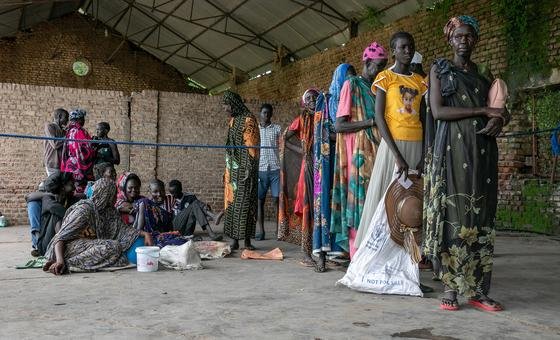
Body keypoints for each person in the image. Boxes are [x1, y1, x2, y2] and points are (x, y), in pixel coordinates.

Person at [423, 16, 509, 311]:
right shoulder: (440, 69)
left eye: (470, 36)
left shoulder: (484, 75)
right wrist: (483, 109)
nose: (464, 41)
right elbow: (438, 110)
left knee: (482, 218)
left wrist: (500, 118)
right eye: (459, 36)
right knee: (455, 214)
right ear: (450, 39)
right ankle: (450, 288)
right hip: (452, 150)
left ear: (476, 40)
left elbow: (499, 110)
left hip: (483, 152)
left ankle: (479, 291)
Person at [354, 32, 427, 250]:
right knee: (385, 200)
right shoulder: (385, 78)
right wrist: (396, 155)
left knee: (411, 204)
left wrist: (424, 154)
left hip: (416, 146)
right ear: (393, 50)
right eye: (403, 47)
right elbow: (379, 117)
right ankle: (377, 252)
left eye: (411, 46)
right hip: (393, 148)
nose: (407, 50)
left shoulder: (420, 82)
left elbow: (424, 119)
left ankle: (407, 257)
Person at [331, 42, 388, 257]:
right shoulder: (352, 85)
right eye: (377, 66)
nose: (380, 71)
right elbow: (339, 125)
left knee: (376, 204)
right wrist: (370, 122)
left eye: (383, 66)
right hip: (356, 155)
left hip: (376, 153)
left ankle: (373, 256)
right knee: (358, 205)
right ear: (366, 62)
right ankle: (358, 257)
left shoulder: (378, 89)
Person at [43, 178, 153, 275]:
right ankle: (65, 264)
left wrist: (144, 233)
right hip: (67, 248)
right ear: (105, 194)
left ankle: (71, 263)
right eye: (113, 195)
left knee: (117, 252)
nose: (115, 199)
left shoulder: (109, 212)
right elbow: (60, 238)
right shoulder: (84, 210)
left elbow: (122, 229)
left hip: (90, 246)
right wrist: (60, 260)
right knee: (113, 248)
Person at [312, 64, 356, 272]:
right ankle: (321, 253)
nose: (349, 82)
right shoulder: (325, 101)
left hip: (347, 158)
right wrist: (341, 135)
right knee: (325, 204)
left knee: (347, 201)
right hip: (328, 162)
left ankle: (343, 251)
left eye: (351, 78)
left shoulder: (352, 100)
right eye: (346, 78)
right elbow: (321, 133)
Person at [278, 88, 320, 267]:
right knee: (308, 208)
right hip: (309, 166)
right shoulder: (301, 120)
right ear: (304, 102)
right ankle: (306, 253)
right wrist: (302, 152)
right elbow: (284, 138)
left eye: (315, 97)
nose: (312, 100)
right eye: (308, 98)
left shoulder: (324, 117)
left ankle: (324, 252)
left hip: (324, 165)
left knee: (322, 210)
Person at [222, 90, 260, 251]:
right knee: (231, 206)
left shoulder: (249, 120)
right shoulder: (233, 121)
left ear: (233, 104)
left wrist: (249, 169)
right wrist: (226, 170)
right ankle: (234, 240)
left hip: (246, 171)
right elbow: (228, 148)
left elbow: (252, 147)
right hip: (233, 171)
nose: (225, 108)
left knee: (245, 204)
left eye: (226, 104)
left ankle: (246, 241)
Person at [116, 173, 187, 248]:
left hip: (152, 230)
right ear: (124, 188)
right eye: (130, 188)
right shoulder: (118, 203)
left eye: (136, 187)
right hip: (128, 235)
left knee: (143, 202)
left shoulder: (143, 200)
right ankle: (137, 236)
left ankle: (137, 235)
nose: (134, 190)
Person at [257, 103, 281, 241]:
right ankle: (261, 232)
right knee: (260, 201)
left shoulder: (277, 129)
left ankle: (278, 231)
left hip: (275, 169)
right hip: (261, 169)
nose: (266, 115)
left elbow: (282, 146)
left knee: (277, 200)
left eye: (268, 113)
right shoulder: (256, 130)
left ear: (271, 114)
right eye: (263, 113)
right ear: (260, 114)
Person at [36, 171, 76, 256]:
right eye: (71, 184)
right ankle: (62, 247)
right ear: (62, 187)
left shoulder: (69, 198)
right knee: (56, 215)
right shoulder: (48, 199)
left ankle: (64, 245)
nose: (74, 186)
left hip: (59, 238)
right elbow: (60, 211)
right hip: (45, 246)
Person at [60, 109, 96, 195]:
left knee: (71, 189)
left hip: (69, 165)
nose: (84, 121)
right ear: (79, 119)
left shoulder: (68, 131)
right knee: (82, 191)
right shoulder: (80, 131)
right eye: (83, 119)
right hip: (79, 166)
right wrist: (94, 148)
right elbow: (86, 149)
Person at [44, 108, 69, 176]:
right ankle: (42, 186)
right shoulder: (50, 127)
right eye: (66, 117)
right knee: (54, 184)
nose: (67, 120)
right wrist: (67, 137)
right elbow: (55, 144)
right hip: (52, 163)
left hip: (61, 164)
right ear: (59, 116)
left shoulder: (63, 130)